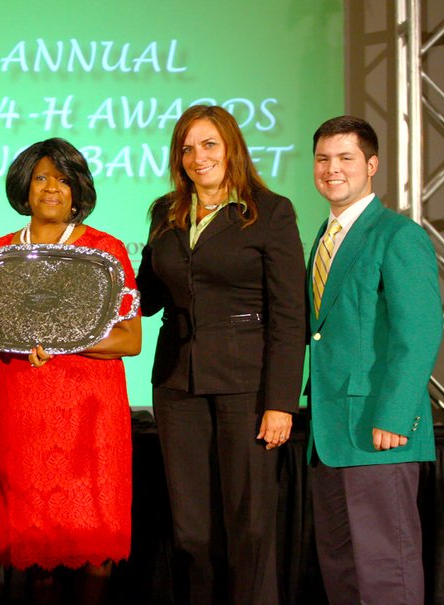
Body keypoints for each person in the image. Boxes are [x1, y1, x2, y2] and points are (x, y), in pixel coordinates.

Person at [0, 138, 141, 604]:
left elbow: (130, 340)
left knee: (95, 558)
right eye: (40, 178)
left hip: (92, 424)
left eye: (62, 179)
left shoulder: (105, 250)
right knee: (37, 564)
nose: (51, 188)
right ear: (24, 188)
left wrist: (58, 340)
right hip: (27, 422)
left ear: (78, 190)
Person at [136, 105, 306, 604]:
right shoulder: (165, 213)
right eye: (187, 148)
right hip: (176, 387)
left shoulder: (270, 211)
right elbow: (146, 298)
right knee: (192, 533)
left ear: (231, 146)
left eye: (208, 144)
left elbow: (289, 315)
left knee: (249, 529)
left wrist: (281, 402)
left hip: (247, 388)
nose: (197, 157)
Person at [306, 116, 441, 604]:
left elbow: (420, 330)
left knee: (387, 571)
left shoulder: (397, 234)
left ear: (372, 165)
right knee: (343, 573)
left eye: (345, 158)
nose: (332, 169)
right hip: (332, 435)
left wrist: (393, 414)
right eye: (323, 159)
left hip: (379, 432)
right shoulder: (324, 235)